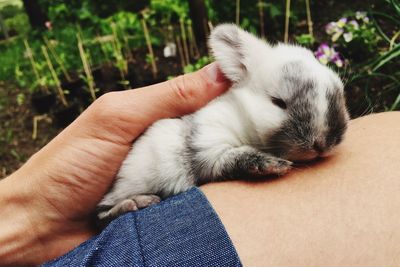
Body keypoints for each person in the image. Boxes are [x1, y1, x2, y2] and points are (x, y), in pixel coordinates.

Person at [0, 63, 399, 266]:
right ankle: (111, 208)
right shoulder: (220, 115)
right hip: (158, 182)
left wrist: (30, 218)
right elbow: (204, 155)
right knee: (154, 160)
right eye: (280, 104)